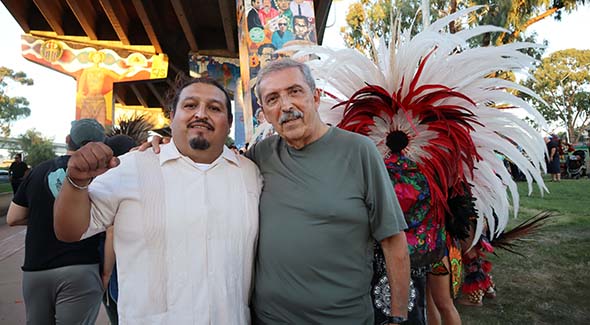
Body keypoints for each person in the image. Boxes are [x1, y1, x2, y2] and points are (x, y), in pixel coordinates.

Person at [53, 78, 262, 323]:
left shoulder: (250, 174)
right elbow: (69, 231)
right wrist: (76, 180)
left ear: (228, 124)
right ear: (172, 117)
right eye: (190, 105)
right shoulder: (130, 167)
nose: (201, 114)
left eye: (214, 108)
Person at [249, 59, 410, 324]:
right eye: (273, 99)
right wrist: (161, 146)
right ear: (265, 113)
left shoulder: (359, 151)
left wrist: (398, 317)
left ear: (316, 96)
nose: (286, 105)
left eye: (295, 91)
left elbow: (393, 240)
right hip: (269, 318)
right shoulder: (260, 156)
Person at [6, 118, 107, 325]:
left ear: (68, 140)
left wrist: (42, 217)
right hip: (82, 268)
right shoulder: (104, 176)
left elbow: (13, 218)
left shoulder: (38, 171)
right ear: (100, 145)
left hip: (36, 269)